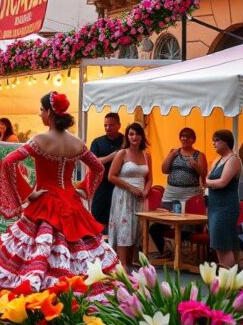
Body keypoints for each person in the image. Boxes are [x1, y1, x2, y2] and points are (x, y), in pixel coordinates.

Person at [0, 93, 118, 305]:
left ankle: (41, 301)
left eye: (41, 110)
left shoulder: (39, 140)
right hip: (72, 204)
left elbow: (9, 162)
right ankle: (74, 299)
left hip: (45, 204)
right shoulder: (77, 143)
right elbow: (98, 167)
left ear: (49, 113)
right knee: (78, 254)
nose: (39, 114)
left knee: (39, 254)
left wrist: (28, 193)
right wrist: (85, 190)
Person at [149, 127, 208, 257]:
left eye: (188, 136)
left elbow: (205, 176)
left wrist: (196, 166)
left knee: (186, 226)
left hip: (190, 195)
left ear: (193, 139)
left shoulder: (199, 155)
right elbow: (164, 169)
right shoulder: (174, 152)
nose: (184, 138)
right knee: (157, 226)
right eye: (182, 136)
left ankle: (182, 255)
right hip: (171, 194)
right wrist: (171, 155)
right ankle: (166, 251)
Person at [108, 123, 152, 268]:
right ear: (127, 136)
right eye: (131, 134)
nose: (134, 137)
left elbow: (149, 178)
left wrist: (146, 191)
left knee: (137, 230)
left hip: (140, 197)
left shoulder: (147, 155)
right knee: (124, 229)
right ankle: (121, 265)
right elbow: (111, 176)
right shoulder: (122, 153)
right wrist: (130, 188)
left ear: (142, 136)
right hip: (123, 196)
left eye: (137, 134)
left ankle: (132, 261)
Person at [205, 129, 242, 267]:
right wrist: (208, 182)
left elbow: (222, 182)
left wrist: (208, 183)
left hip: (226, 207)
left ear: (226, 142)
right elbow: (207, 178)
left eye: (216, 140)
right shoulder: (218, 160)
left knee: (223, 245)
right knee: (224, 244)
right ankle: (230, 280)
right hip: (215, 207)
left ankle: (227, 281)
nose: (213, 143)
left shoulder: (233, 160)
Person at [89, 112, 124, 229]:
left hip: (121, 185)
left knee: (119, 219)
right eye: (105, 125)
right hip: (102, 185)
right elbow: (92, 161)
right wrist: (112, 156)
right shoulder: (97, 142)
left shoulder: (126, 141)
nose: (108, 128)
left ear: (119, 125)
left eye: (111, 125)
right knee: (98, 216)